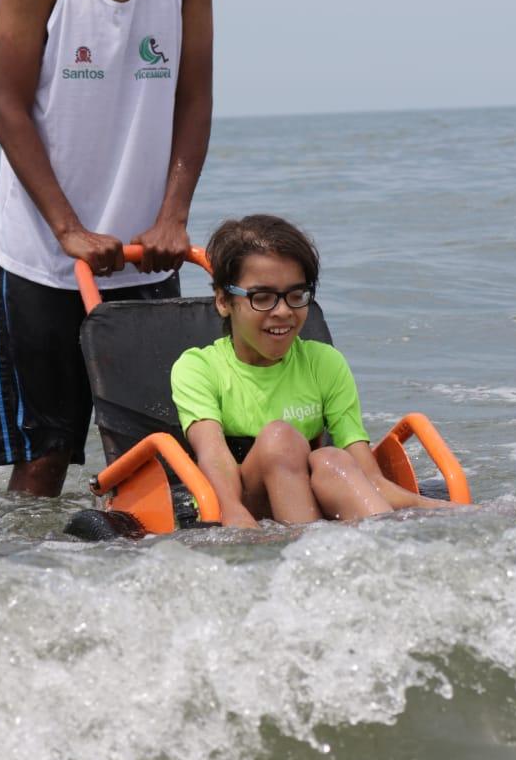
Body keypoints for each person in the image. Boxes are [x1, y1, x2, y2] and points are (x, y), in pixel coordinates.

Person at [0, 0, 212, 497]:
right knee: (46, 456)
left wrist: (173, 215)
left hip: (147, 252)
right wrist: (68, 230)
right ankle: (18, 585)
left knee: (159, 456)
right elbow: (8, 106)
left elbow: (194, 99)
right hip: (41, 257)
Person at [171, 215, 457, 528]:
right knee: (280, 439)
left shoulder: (325, 363)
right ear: (224, 301)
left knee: (332, 459)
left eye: (296, 296)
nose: (282, 311)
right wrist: (233, 514)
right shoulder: (199, 368)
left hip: (310, 500)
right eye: (262, 297)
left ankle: (386, 551)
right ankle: (309, 554)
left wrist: (439, 509)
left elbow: (369, 476)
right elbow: (213, 455)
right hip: (245, 505)